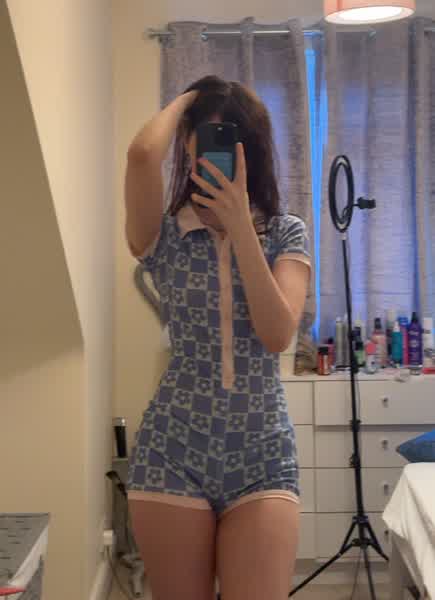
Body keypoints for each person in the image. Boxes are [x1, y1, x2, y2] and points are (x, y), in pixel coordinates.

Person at [125, 75, 311, 600]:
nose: (215, 150)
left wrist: (241, 227)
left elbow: (277, 335)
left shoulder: (286, 231)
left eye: (230, 137)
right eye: (203, 137)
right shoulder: (164, 233)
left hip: (262, 450)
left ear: (252, 150)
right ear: (187, 144)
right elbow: (141, 154)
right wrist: (195, 97)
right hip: (172, 448)